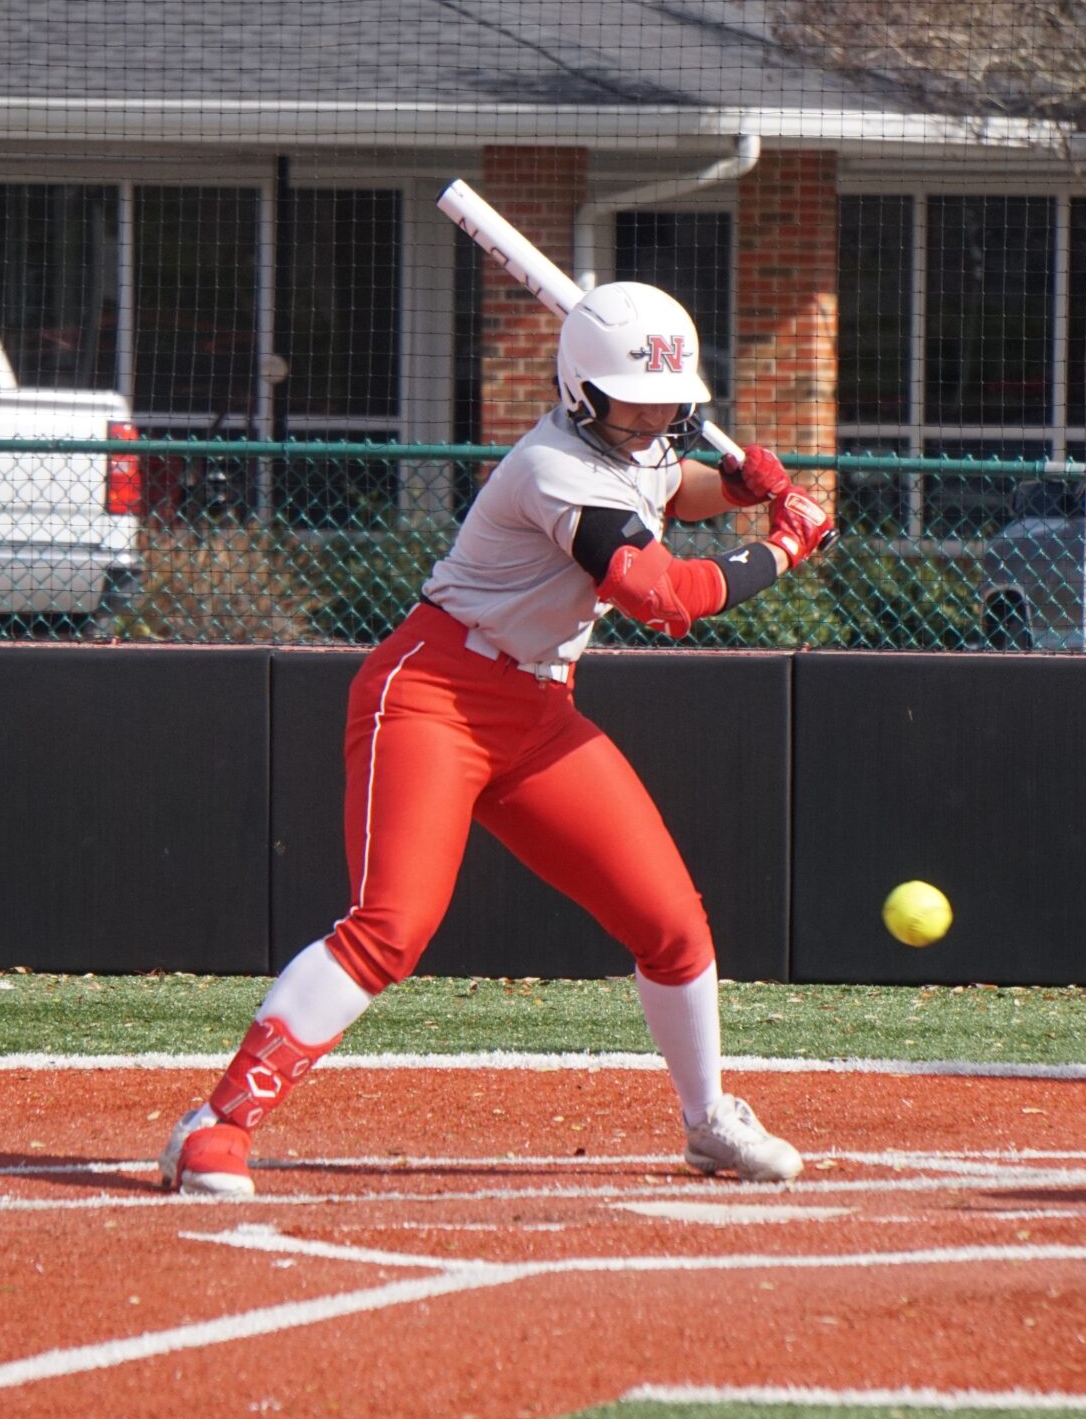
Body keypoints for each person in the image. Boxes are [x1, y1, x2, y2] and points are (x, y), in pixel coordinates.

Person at [160, 280, 834, 1197]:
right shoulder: (551, 466)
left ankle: (709, 1120)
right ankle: (218, 1124)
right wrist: (785, 545)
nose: (655, 421)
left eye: (669, 407)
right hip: (433, 695)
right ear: (583, 395)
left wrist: (739, 489)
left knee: (672, 925)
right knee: (391, 929)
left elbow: (675, 487)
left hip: (537, 715)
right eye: (636, 404)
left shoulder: (636, 444)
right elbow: (665, 599)